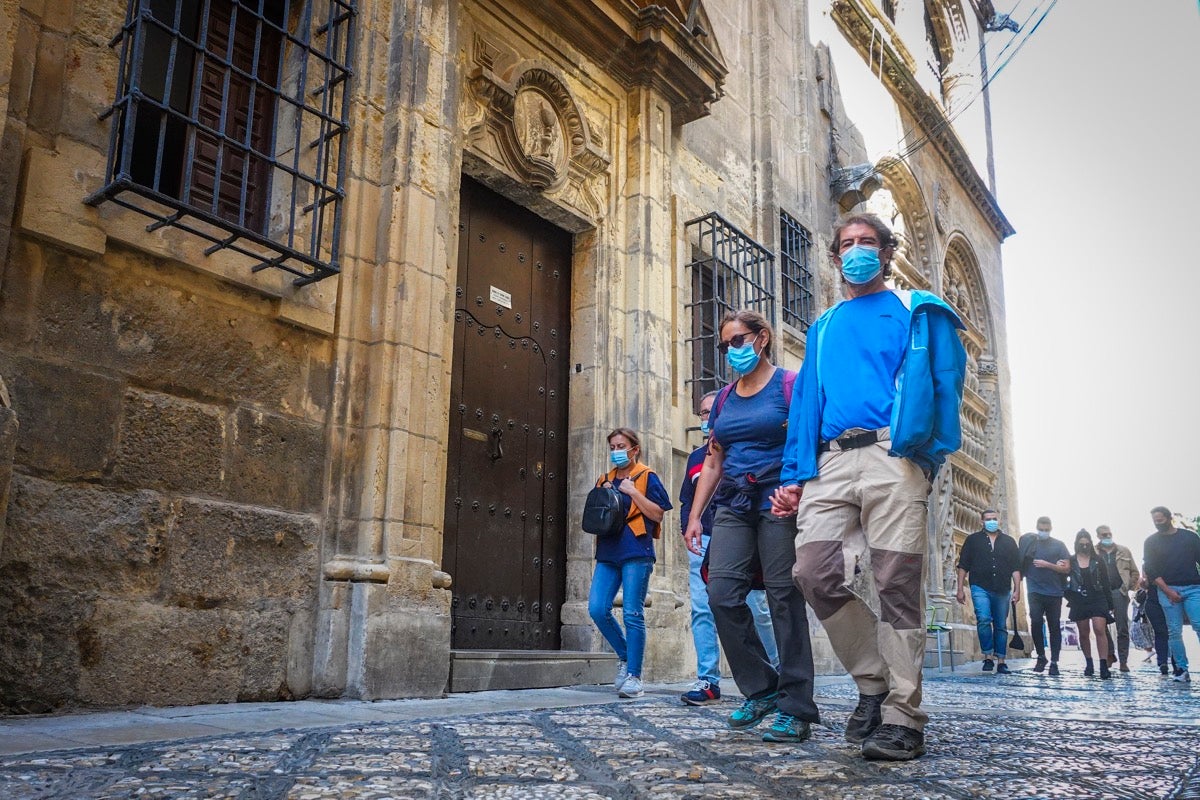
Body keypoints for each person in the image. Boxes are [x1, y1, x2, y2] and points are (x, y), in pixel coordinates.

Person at [771, 213, 967, 761]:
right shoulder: (825, 324)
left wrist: (926, 456)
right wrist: (795, 476)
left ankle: (904, 716)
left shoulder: (914, 309)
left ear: (885, 252)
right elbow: (807, 401)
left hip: (893, 455)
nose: (857, 251)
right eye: (847, 244)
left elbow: (945, 383)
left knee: (896, 583)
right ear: (835, 258)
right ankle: (873, 682)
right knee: (812, 572)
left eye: (867, 243)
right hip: (832, 462)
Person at [684, 310, 820, 744]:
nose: (731, 351)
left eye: (738, 341)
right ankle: (762, 689)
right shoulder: (723, 399)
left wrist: (796, 487)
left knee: (783, 598)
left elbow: (810, 440)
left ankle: (796, 708)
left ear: (762, 338)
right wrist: (693, 517)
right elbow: (714, 458)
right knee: (721, 594)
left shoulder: (790, 384)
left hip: (777, 502)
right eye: (725, 346)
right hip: (732, 505)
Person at [678, 392, 779, 706]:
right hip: (705, 540)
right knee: (702, 610)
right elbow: (686, 499)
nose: (707, 418)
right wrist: (689, 526)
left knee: (758, 608)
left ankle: (776, 670)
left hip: (742, 540)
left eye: (712, 412)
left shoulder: (739, 452)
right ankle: (708, 680)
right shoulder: (697, 458)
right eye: (703, 412)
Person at [588, 428, 672, 698]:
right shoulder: (604, 479)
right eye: (612, 447)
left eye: (621, 446)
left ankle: (634, 675)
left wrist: (633, 492)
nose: (616, 452)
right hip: (608, 551)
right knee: (597, 608)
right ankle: (625, 655)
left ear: (635, 449)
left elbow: (658, 515)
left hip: (636, 550)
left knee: (632, 613)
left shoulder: (647, 476)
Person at [956, 509, 1021, 674]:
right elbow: (963, 565)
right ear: (981, 522)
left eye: (994, 519)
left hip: (1002, 588)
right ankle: (987, 657)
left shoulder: (1008, 542)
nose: (991, 522)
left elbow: (1015, 567)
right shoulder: (973, 540)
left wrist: (1017, 589)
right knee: (983, 619)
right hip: (980, 586)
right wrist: (959, 589)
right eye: (988, 519)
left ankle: (1001, 660)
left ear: (998, 521)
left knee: (1000, 625)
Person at [1142, 506, 1200, 684]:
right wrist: (1167, 590)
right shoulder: (1151, 542)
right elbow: (1151, 570)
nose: (1157, 524)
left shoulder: (1190, 537)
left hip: (1193, 587)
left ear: (1169, 518)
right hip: (1166, 588)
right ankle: (1181, 669)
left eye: (1160, 520)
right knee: (1174, 630)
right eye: (1155, 521)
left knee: (1198, 624)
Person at [1017, 516, 1071, 676]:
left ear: (1051, 529)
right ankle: (1041, 656)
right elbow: (1020, 561)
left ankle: (1054, 661)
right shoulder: (1030, 543)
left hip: (1054, 592)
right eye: (1041, 529)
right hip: (1034, 590)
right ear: (1037, 527)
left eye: (1047, 530)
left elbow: (1067, 568)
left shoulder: (1059, 545)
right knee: (1036, 622)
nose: (1044, 532)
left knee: (1054, 626)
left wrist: (1048, 565)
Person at [1065, 529, 1115, 679]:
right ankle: (1089, 662)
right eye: (1082, 543)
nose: (1084, 546)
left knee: (1100, 628)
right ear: (1077, 544)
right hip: (1079, 599)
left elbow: (1106, 582)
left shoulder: (1098, 560)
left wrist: (1110, 603)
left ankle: (1103, 664)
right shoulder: (1071, 561)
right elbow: (1063, 581)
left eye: (1087, 543)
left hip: (1097, 597)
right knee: (1084, 632)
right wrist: (1069, 596)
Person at [1095, 524, 1140, 673]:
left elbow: (1135, 572)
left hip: (1118, 592)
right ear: (1098, 537)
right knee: (1101, 627)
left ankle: (1123, 661)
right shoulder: (1093, 552)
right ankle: (1109, 654)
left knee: (1122, 627)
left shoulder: (1123, 550)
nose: (1107, 537)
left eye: (1108, 534)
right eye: (1103, 535)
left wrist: (1126, 588)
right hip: (1101, 594)